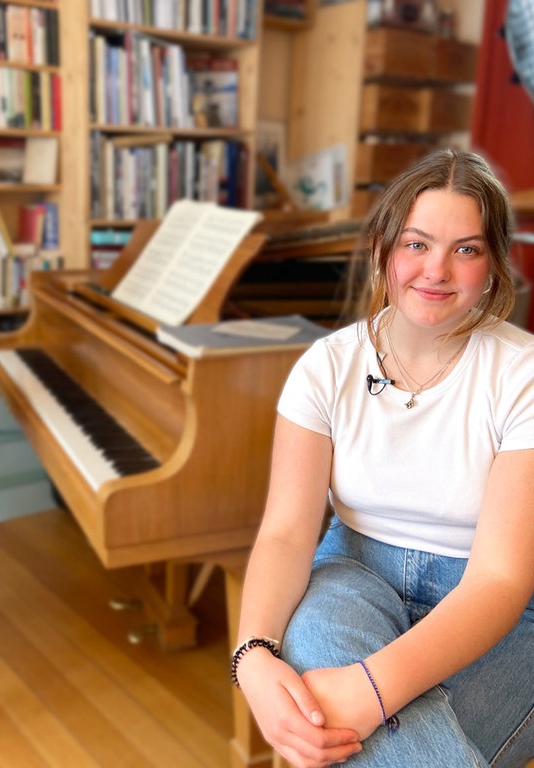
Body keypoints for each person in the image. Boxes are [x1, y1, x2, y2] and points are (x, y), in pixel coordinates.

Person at [232, 148, 534, 767]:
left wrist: (371, 691)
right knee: (317, 655)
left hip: (491, 602)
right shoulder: (325, 367)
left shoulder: (523, 374)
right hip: (354, 573)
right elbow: (288, 533)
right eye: (417, 244)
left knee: (342, 736)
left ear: (493, 265)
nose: (437, 270)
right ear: (382, 249)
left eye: (467, 249)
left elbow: (500, 579)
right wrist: (253, 654)